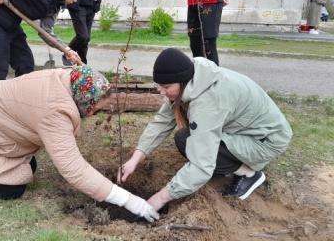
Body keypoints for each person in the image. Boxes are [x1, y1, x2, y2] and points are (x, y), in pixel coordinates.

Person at [0, 65, 159, 222]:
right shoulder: (54, 110)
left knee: (29, 169)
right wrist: (129, 201)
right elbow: (73, 169)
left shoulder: (70, 80)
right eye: (95, 108)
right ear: (85, 101)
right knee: (9, 189)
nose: (96, 113)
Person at [118, 48, 292, 211]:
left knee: (188, 141)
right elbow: (162, 121)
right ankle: (230, 164)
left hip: (265, 140)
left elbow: (202, 165)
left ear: (181, 80)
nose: (161, 92)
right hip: (245, 131)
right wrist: (135, 159)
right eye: (159, 86)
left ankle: (247, 174)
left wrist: (160, 199)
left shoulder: (207, 103)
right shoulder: (193, 78)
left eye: (166, 87)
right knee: (185, 139)